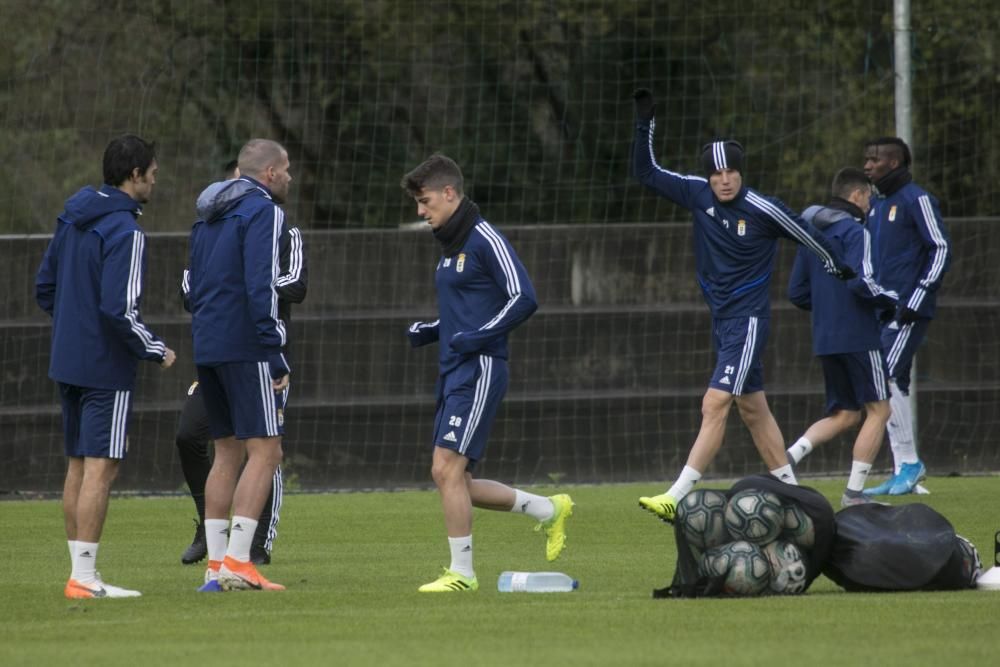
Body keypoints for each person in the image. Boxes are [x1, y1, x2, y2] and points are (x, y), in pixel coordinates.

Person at [629, 88, 854, 523]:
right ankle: (797, 496)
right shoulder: (697, 194)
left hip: (748, 321)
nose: (724, 179)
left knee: (715, 403)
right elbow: (646, 173)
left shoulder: (763, 208)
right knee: (753, 409)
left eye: (731, 171)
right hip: (722, 320)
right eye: (717, 173)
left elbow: (810, 236)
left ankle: (677, 493)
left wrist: (840, 268)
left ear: (740, 173)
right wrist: (645, 124)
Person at [401, 154, 574, 592]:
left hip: (479, 369)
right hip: (454, 368)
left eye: (425, 202)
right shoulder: (450, 247)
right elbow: (465, 312)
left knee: (446, 470)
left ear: (449, 193)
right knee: (452, 477)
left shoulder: (483, 237)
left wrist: (477, 339)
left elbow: (523, 298)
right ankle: (547, 509)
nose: (420, 212)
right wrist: (434, 330)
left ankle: (462, 574)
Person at [35, 134, 177, 598]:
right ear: (134, 176)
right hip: (105, 368)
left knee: (78, 466)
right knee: (102, 468)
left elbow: (45, 287)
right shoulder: (126, 231)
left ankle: (78, 573)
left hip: (67, 360)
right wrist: (155, 349)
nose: (155, 182)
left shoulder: (71, 216)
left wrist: (73, 330)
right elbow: (120, 310)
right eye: (152, 174)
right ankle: (85, 577)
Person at [176, 160, 307, 566]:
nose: (290, 175)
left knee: (229, 452)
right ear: (266, 172)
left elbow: (195, 290)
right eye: (285, 167)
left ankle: (224, 559)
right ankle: (237, 562)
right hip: (250, 348)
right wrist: (272, 349)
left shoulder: (205, 222)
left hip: (210, 347)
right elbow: (257, 284)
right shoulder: (263, 212)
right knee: (266, 450)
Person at [785, 168, 898, 507]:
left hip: (825, 337)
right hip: (859, 336)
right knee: (880, 410)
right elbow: (860, 281)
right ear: (857, 196)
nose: (869, 205)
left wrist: (827, 308)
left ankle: (787, 459)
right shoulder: (855, 232)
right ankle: (854, 494)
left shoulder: (809, 234)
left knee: (846, 414)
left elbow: (796, 292)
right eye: (868, 198)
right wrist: (891, 301)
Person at [861, 137, 951, 496]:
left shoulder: (917, 199)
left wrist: (919, 294)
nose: (867, 166)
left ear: (894, 163)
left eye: (874, 159)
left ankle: (910, 464)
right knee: (891, 380)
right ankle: (905, 470)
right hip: (882, 309)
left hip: (909, 309)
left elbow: (941, 248)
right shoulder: (877, 207)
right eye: (865, 160)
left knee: (882, 373)